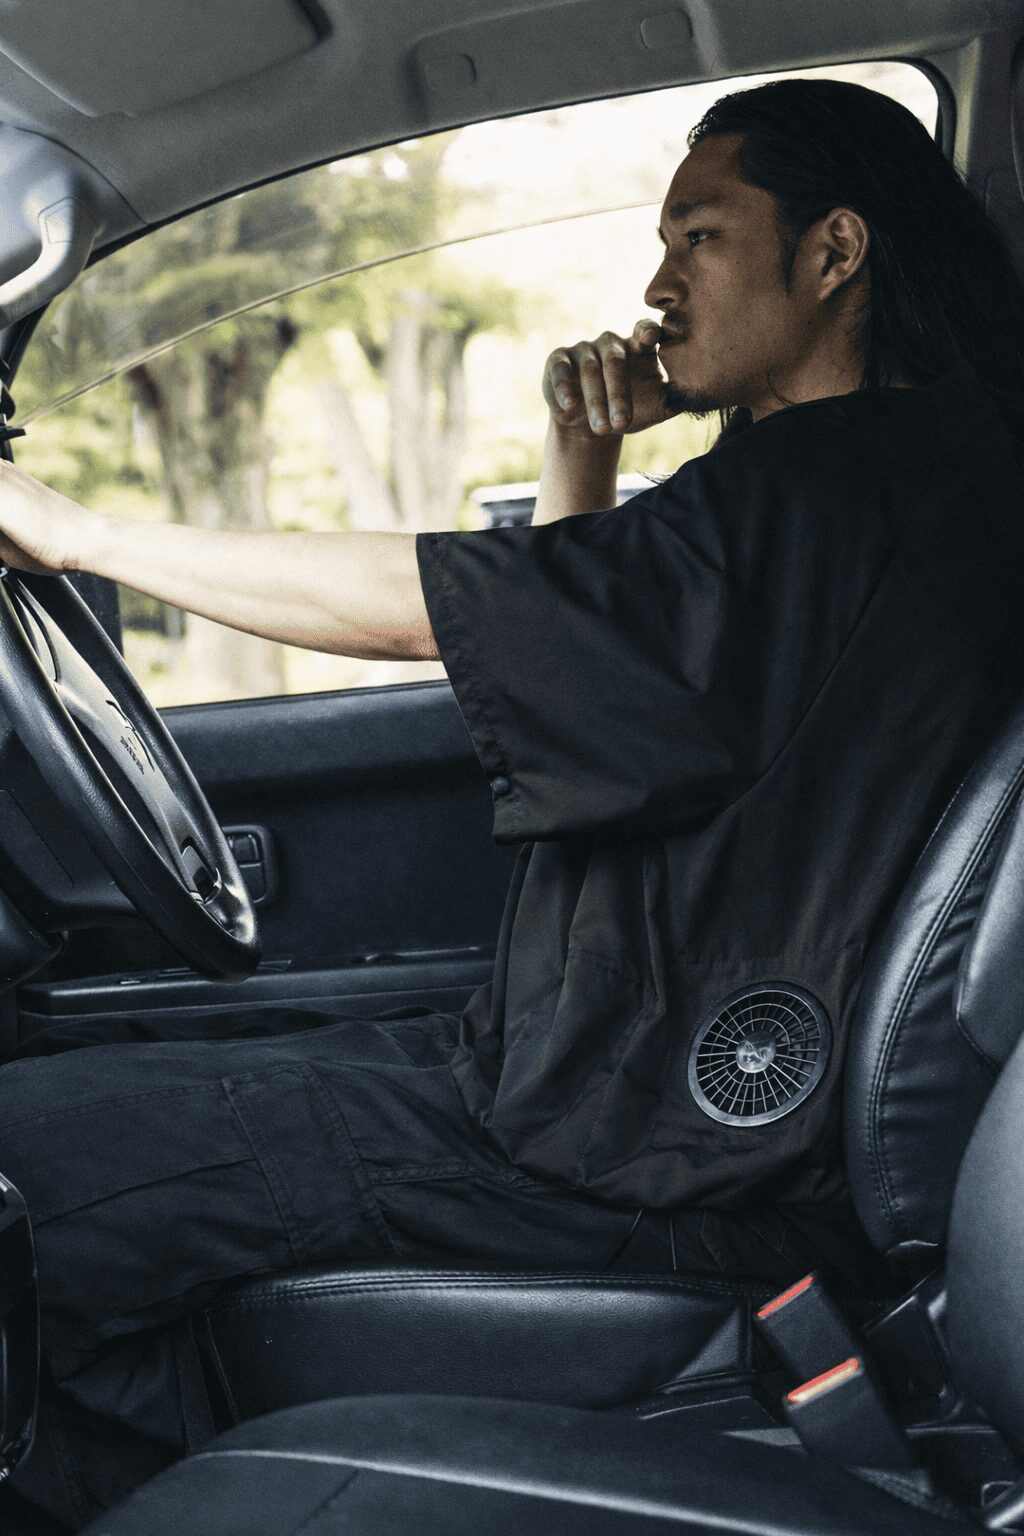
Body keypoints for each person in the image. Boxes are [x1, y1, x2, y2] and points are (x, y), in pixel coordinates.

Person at [2, 76, 1024, 1528]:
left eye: (700, 239)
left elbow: (450, 608)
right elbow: (588, 664)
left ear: (834, 252)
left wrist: (74, 532)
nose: (656, 287)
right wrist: (583, 450)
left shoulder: (833, 486)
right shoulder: (887, 475)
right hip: (599, 1090)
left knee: (24, 1160)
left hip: (640, 1155)